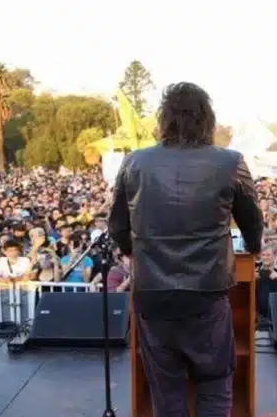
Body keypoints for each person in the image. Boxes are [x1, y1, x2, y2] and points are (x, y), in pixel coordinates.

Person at [108, 82, 263, 417]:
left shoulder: (134, 162)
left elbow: (118, 227)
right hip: (206, 294)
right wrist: (253, 249)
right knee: (214, 382)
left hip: (151, 293)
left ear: (164, 120)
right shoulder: (231, 162)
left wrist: (136, 252)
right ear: (207, 120)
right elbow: (252, 221)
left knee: (166, 391)